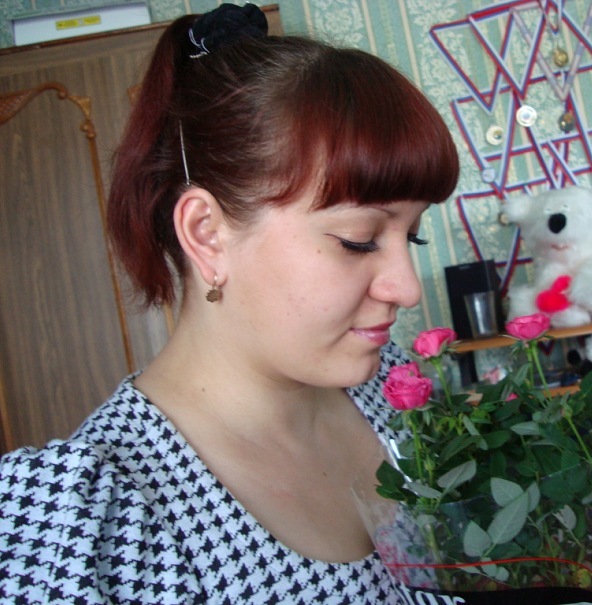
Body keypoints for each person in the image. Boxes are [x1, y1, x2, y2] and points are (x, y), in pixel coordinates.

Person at [0, 4, 459, 603]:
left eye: (413, 236)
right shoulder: (88, 526)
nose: (407, 287)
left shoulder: (396, 392)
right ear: (206, 234)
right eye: (358, 240)